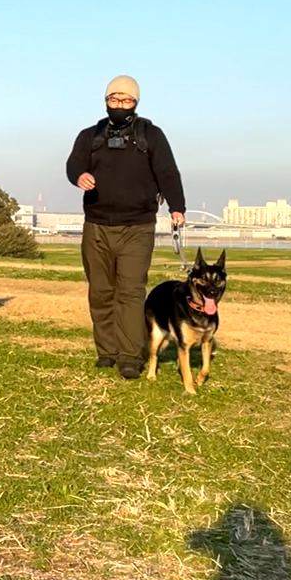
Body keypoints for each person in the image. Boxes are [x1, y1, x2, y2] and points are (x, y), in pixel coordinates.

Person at [65, 74, 186, 379]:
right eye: (114, 99)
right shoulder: (90, 136)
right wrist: (79, 176)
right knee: (101, 292)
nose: (119, 105)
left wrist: (177, 207)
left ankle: (130, 356)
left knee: (131, 292)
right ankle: (107, 352)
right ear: (106, 101)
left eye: (126, 100)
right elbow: (73, 164)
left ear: (136, 103)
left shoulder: (151, 135)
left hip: (137, 227)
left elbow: (168, 172)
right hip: (97, 227)